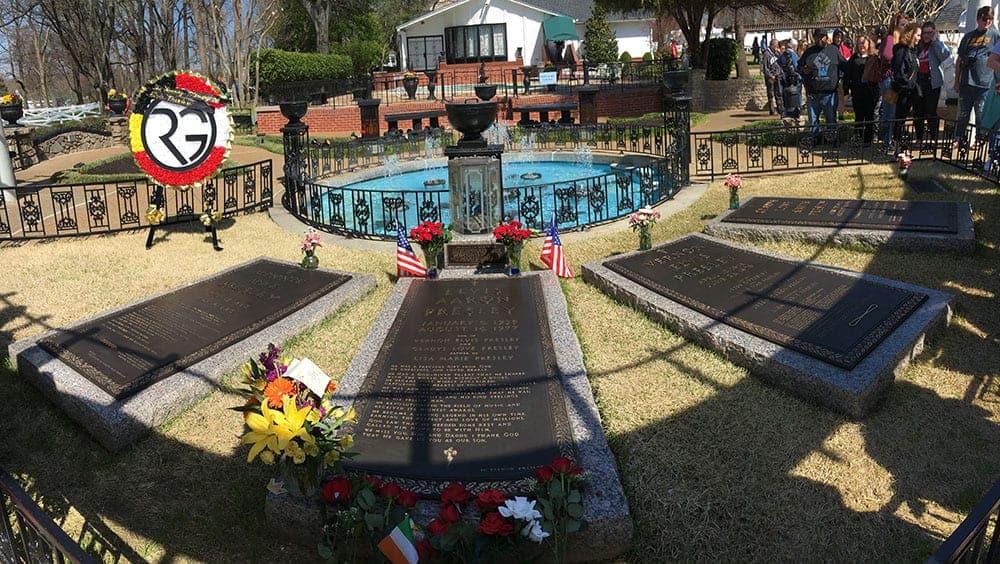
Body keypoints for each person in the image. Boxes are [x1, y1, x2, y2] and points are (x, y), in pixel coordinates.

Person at [954, 6, 1000, 147]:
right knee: (963, 114)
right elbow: (959, 59)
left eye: (990, 19)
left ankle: (980, 141)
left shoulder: (995, 36)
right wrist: (956, 80)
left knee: (981, 115)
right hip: (967, 81)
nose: (987, 22)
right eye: (985, 18)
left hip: (985, 83)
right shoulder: (968, 36)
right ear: (978, 19)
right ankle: (958, 139)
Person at [799, 28, 848, 142]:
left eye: (822, 37)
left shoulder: (834, 51)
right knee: (813, 120)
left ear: (826, 37)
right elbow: (799, 67)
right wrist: (803, 70)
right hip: (813, 93)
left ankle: (832, 139)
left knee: (831, 119)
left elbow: (844, 66)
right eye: (817, 37)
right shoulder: (809, 52)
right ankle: (813, 139)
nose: (820, 39)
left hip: (829, 93)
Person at [913, 21, 951, 144]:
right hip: (919, 80)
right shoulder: (917, 46)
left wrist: (936, 41)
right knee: (918, 111)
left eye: (930, 32)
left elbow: (945, 55)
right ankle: (919, 138)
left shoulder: (936, 45)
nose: (926, 35)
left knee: (930, 111)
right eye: (924, 33)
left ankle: (934, 139)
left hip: (932, 81)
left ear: (934, 32)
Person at [879, 13, 910, 149]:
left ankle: (889, 138)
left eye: (906, 25)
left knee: (894, 111)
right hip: (889, 80)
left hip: (897, 80)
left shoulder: (903, 41)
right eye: (902, 25)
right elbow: (886, 55)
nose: (904, 27)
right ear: (895, 26)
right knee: (889, 111)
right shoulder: (891, 39)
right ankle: (887, 141)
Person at [891, 23, 922, 147]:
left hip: (912, 90)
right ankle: (896, 143)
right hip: (903, 90)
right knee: (900, 118)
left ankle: (900, 142)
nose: (919, 38)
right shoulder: (900, 50)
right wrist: (909, 85)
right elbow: (899, 72)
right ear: (911, 34)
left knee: (908, 117)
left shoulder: (913, 50)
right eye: (918, 35)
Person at [845, 35, 878, 143]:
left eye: (864, 43)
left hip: (870, 92)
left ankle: (868, 139)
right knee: (859, 117)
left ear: (868, 44)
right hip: (857, 93)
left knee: (870, 116)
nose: (862, 45)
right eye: (859, 43)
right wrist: (846, 90)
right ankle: (858, 137)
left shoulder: (873, 58)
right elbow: (847, 76)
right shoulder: (853, 59)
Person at [779, 38, 802, 123]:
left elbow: (779, 63)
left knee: (786, 96)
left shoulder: (782, 55)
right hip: (795, 79)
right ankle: (797, 110)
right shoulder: (793, 54)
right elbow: (797, 66)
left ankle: (788, 111)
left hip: (785, 79)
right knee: (797, 95)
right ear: (794, 46)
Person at [833, 30, 853, 119]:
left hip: (842, 76)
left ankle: (840, 113)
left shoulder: (845, 49)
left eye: (840, 37)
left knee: (842, 96)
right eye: (837, 37)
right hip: (832, 75)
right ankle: (833, 113)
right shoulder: (830, 48)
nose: (838, 39)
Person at [761, 38, 784, 115]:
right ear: (772, 45)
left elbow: (781, 60)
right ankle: (772, 110)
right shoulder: (767, 54)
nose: (777, 47)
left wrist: (779, 53)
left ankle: (780, 109)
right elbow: (765, 68)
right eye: (776, 45)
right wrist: (770, 76)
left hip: (777, 76)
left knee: (778, 93)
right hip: (770, 78)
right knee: (771, 94)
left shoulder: (776, 53)